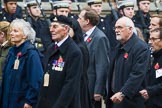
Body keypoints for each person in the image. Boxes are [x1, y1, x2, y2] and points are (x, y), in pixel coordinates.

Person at [37, 15, 83, 108]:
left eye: (55, 26)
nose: (51, 30)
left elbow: (70, 84)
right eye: (51, 26)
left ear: (66, 29)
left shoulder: (74, 52)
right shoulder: (51, 48)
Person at [107, 16, 150, 108]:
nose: (116, 30)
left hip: (130, 101)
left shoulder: (141, 48)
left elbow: (137, 74)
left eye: (120, 27)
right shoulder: (118, 47)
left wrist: (123, 93)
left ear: (130, 29)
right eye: (115, 27)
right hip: (115, 98)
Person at [0, 19, 43, 108]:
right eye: (11, 31)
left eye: (15, 31)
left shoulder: (31, 54)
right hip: (7, 101)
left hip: (21, 102)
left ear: (24, 35)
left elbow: (36, 80)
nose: (11, 33)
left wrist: (29, 101)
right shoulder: (12, 52)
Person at [78, 7, 110, 108]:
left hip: (91, 88)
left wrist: (98, 90)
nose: (77, 20)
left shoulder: (99, 38)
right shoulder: (82, 35)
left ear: (87, 21)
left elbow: (102, 65)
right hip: (82, 86)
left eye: (80, 18)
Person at [139, 28, 162, 108]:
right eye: (149, 39)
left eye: (153, 39)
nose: (150, 42)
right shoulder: (152, 56)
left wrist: (151, 91)